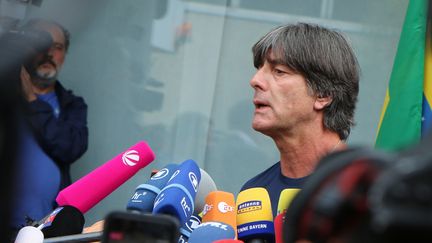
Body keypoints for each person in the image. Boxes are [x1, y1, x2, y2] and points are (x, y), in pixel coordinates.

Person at [239, 22, 360, 216]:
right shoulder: (253, 196)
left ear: (323, 94)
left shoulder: (365, 188)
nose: (255, 81)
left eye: (279, 71)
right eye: (259, 69)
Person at [20, 18, 88, 190]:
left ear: (64, 56)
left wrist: (32, 101)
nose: (49, 53)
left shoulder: (72, 105)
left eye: (57, 47)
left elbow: (70, 148)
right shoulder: (6, 94)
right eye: (41, 43)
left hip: (49, 215)